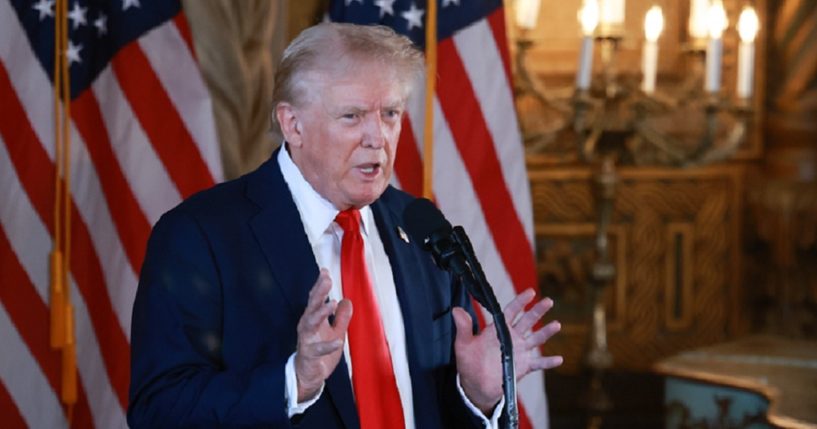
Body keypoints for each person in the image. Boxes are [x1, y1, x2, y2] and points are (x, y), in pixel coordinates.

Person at [128, 22, 562, 428]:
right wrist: (293, 383)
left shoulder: (422, 230)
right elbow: (158, 410)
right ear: (292, 124)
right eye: (352, 116)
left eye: (390, 113)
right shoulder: (200, 236)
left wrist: (478, 394)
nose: (378, 137)